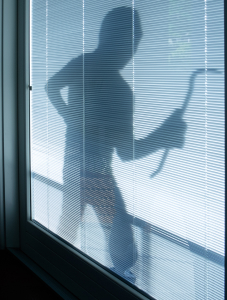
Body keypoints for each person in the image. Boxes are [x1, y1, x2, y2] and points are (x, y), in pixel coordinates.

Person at [46, 6, 186, 283]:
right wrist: (163, 137)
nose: (133, 51)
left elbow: (52, 86)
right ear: (114, 38)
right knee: (119, 250)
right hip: (96, 174)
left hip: (79, 167)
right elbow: (127, 153)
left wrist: (70, 118)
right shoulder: (118, 90)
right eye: (132, 42)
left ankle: (56, 275)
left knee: (70, 229)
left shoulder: (90, 67)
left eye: (136, 43)